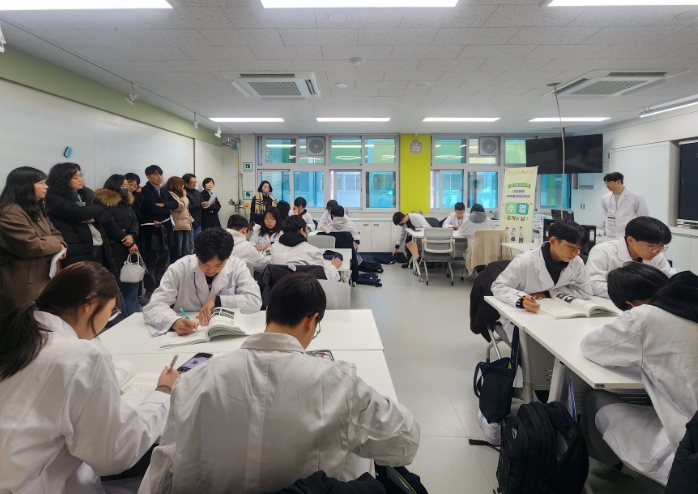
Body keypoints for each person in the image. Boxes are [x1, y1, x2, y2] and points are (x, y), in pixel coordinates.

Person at [139, 272, 420, 494]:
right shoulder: (339, 383)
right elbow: (407, 441)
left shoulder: (193, 381)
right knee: (355, 453)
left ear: (267, 313)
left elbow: (163, 470)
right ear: (312, 321)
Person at [0, 262, 177, 493]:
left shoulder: (19, 336)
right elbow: (116, 454)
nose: (107, 320)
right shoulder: (82, 356)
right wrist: (162, 393)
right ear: (89, 304)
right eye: (111, 311)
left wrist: (92, 394)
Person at [580, 263, 698, 486]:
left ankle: (614, 470)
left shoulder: (644, 317)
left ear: (630, 303)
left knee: (596, 399)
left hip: (689, 446)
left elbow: (591, 347)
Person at [144, 228, 262, 337]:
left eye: (218, 265)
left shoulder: (238, 267)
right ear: (196, 253)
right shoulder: (179, 268)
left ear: (229, 255)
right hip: (189, 333)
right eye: (204, 264)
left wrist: (217, 300)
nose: (210, 270)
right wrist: (175, 322)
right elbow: (154, 305)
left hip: (224, 333)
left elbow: (254, 301)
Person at [492, 219, 592, 340]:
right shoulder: (525, 262)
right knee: (536, 345)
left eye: (579, 248)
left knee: (572, 339)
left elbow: (584, 290)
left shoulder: (576, 262)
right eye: (571, 247)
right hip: (523, 314)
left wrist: (548, 293)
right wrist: (520, 300)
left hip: (558, 313)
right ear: (553, 241)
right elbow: (498, 286)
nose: (575, 253)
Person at [0, 167, 66, 320]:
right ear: (25, 186)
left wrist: (61, 245)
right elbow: (29, 245)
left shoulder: (35, 208)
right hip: (21, 282)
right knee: (22, 324)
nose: (46, 186)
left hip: (42, 277)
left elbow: (55, 233)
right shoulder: (10, 212)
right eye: (41, 183)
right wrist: (58, 246)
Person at [587, 216, 676, 298]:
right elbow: (594, 285)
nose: (656, 251)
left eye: (661, 246)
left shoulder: (656, 255)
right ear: (630, 240)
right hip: (612, 301)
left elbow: (671, 279)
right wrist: (633, 291)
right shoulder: (603, 251)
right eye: (650, 246)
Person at [94, 174, 141, 317]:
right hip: (114, 245)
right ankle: (121, 315)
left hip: (130, 245)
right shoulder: (104, 202)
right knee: (117, 281)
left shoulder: (126, 202)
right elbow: (108, 224)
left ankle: (133, 312)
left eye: (127, 185)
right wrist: (124, 238)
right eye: (123, 185)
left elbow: (134, 221)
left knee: (132, 278)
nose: (126, 188)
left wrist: (132, 235)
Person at [45, 162, 107, 267]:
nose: (80, 179)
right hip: (76, 247)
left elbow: (106, 213)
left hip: (97, 243)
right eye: (75, 177)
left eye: (80, 175)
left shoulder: (86, 194)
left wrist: (93, 218)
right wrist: (94, 210)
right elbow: (80, 213)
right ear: (63, 180)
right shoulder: (54, 197)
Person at [139, 165, 178, 301]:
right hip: (151, 231)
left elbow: (175, 204)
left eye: (160, 174)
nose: (159, 177)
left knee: (163, 259)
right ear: (148, 176)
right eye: (155, 174)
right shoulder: (145, 190)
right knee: (151, 260)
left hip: (165, 229)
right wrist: (166, 208)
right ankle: (150, 289)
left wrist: (164, 204)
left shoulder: (164, 190)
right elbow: (151, 208)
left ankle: (161, 286)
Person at [271, 216, 341, 282]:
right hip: (305, 289)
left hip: (280, 289)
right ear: (301, 230)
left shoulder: (274, 248)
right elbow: (323, 279)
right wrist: (333, 267)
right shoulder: (313, 251)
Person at [601, 172, 649, 239]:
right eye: (605, 183)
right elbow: (606, 214)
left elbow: (643, 217)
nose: (606, 185)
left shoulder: (635, 197)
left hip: (628, 234)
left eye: (609, 183)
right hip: (610, 234)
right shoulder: (605, 198)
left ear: (618, 182)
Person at [166, 176, 193, 262]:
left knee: (186, 249)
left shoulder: (179, 195)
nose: (183, 187)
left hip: (185, 224)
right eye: (181, 185)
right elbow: (180, 206)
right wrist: (184, 196)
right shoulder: (170, 194)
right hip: (177, 226)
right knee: (178, 250)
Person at [182, 173, 203, 255]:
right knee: (190, 245)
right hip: (189, 223)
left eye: (195, 182)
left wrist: (207, 204)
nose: (194, 184)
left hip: (198, 222)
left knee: (199, 243)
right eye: (192, 182)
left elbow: (201, 203)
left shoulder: (197, 192)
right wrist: (200, 205)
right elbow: (187, 208)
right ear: (185, 183)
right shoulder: (184, 193)